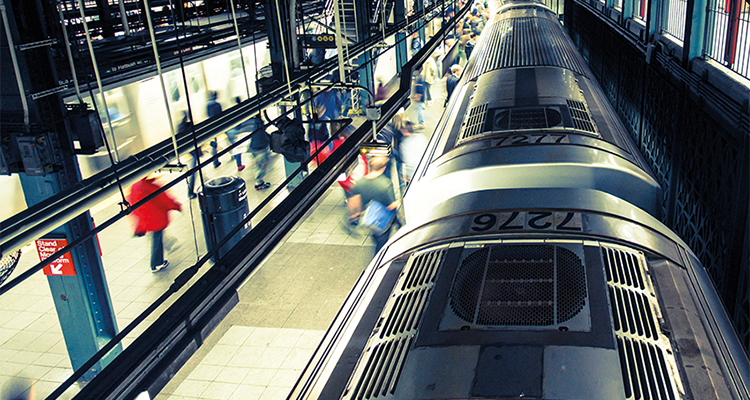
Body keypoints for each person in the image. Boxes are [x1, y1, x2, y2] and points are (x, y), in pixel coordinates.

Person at [128, 174, 182, 272]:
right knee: (157, 240)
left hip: (145, 219)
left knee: (157, 236)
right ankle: (156, 264)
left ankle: (169, 244)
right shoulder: (151, 187)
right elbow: (165, 199)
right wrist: (176, 206)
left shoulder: (135, 186)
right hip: (155, 218)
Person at [348, 156, 401, 254]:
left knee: (377, 235)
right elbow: (391, 206)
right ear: (384, 168)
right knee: (381, 243)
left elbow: (353, 202)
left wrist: (354, 216)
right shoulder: (385, 184)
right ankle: (377, 262)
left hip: (370, 217)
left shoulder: (359, 182)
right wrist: (399, 201)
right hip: (383, 218)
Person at [246, 115, 271, 190]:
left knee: (258, 166)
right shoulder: (258, 126)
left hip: (254, 148)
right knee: (260, 166)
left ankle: (259, 181)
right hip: (259, 148)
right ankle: (259, 183)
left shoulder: (254, 125)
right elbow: (262, 136)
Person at [225, 97, 247, 171]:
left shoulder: (232, 110)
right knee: (238, 148)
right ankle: (239, 165)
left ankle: (235, 158)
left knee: (234, 146)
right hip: (236, 131)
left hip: (229, 131)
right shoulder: (242, 110)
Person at [206, 91, 222, 168]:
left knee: (214, 144)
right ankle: (234, 154)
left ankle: (215, 161)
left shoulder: (208, 105)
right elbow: (220, 115)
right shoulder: (217, 105)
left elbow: (208, 114)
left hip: (211, 127)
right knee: (231, 139)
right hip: (218, 126)